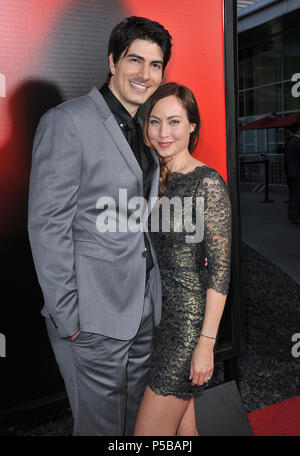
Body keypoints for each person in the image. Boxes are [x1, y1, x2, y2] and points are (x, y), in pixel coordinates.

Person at [28, 16, 172, 436]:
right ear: (113, 61)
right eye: (135, 60)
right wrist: (69, 316)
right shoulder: (67, 122)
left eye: (156, 64)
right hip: (90, 319)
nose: (145, 74)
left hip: (142, 310)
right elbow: (47, 226)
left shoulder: (146, 127)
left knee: (136, 428)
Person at [134, 83, 232, 436]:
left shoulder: (207, 183)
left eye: (174, 122)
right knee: (183, 430)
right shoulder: (153, 178)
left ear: (192, 126)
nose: (163, 132)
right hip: (159, 321)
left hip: (188, 327)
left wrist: (206, 344)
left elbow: (220, 272)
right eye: (155, 122)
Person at [284, 122, 300, 224]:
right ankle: (295, 216)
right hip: (297, 172)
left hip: (293, 172)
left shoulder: (291, 141)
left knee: (294, 195)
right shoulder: (296, 142)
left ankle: (294, 215)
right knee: (296, 195)